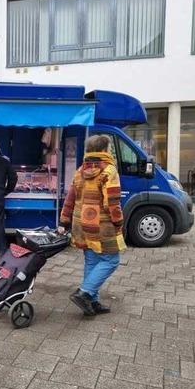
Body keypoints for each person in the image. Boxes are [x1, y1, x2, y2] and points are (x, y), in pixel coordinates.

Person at [58, 135, 126, 316]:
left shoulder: (81, 170)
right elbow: (112, 202)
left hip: (81, 223)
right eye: (109, 148)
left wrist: (64, 219)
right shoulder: (109, 171)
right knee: (112, 261)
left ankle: (92, 302)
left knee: (92, 261)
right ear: (104, 150)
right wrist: (119, 222)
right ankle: (85, 293)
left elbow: (70, 197)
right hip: (101, 225)